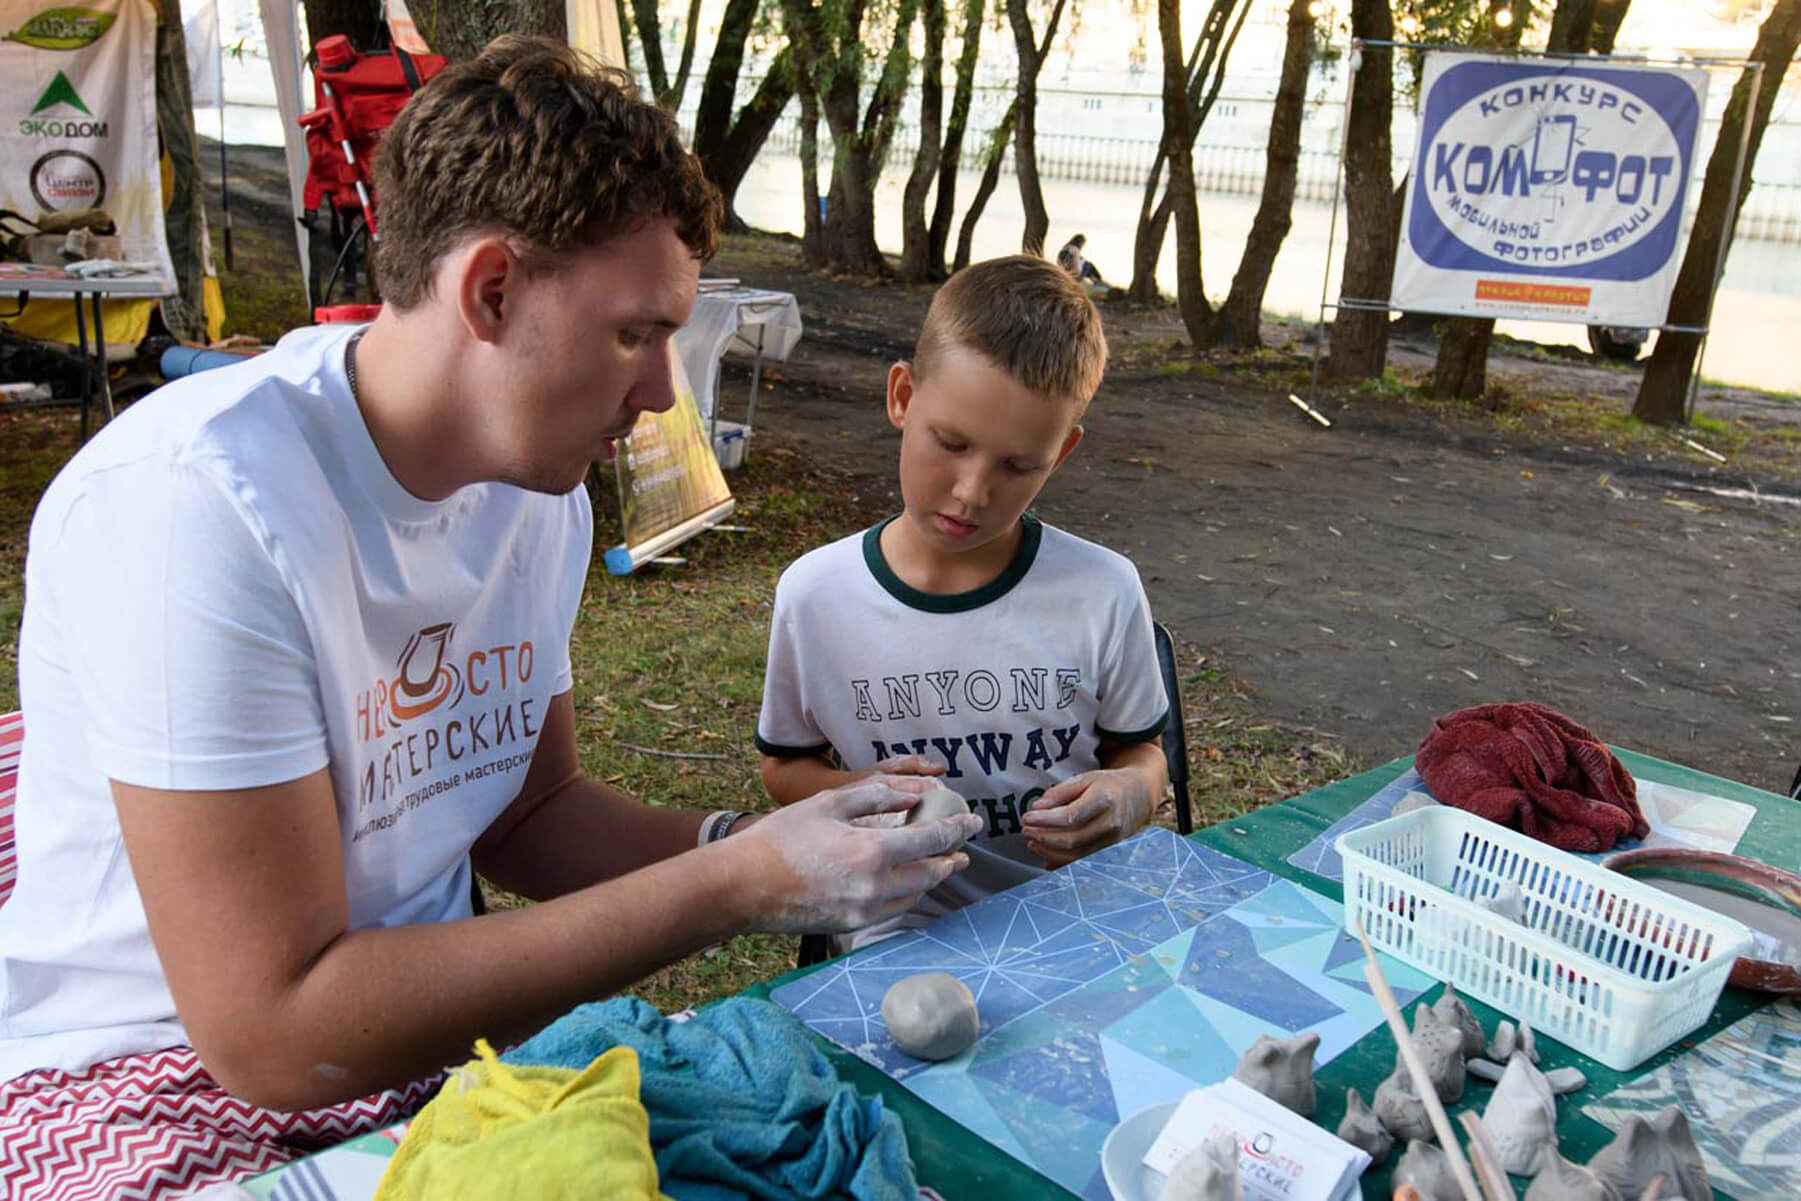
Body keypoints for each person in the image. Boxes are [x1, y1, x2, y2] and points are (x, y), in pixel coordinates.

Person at [0, 36, 979, 1197]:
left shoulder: (535, 498)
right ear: (493, 290)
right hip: (147, 1075)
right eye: (636, 331)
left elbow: (530, 811)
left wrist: (761, 846)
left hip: (417, 1044)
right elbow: (267, 1033)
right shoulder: (195, 509)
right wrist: (737, 890)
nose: (663, 391)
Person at [754, 255, 1168, 950]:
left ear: (1061, 451)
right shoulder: (815, 596)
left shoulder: (1101, 589)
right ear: (901, 396)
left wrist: (1129, 796)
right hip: (898, 932)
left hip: (1072, 921)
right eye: (950, 442)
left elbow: (1142, 753)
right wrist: (872, 797)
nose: (972, 491)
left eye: (1017, 466)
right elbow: (784, 765)